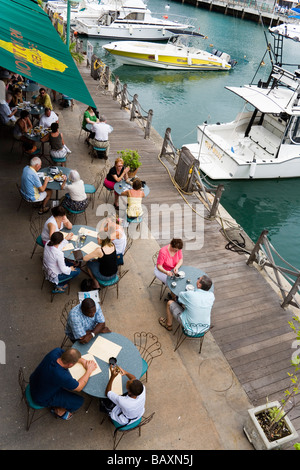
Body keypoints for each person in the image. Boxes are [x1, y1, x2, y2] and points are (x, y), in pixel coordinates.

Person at [29, 347, 97, 420]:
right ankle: (58, 410)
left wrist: (83, 361)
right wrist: (89, 370)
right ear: (70, 365)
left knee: (61, 384)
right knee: (78, 401)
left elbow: (69, 355)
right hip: (41, 398)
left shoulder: (55, 352)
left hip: (34, 382)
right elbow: (79, 387)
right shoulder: (62, 375)